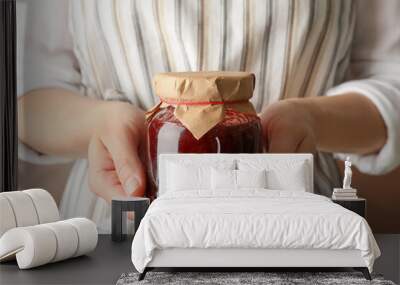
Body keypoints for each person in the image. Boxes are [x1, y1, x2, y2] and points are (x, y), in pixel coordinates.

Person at [17, 0, 400, 232]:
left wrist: (313, 120)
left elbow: (391, 81)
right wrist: (97, 123)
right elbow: (26, 99)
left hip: (299, 221)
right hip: (110, 223)